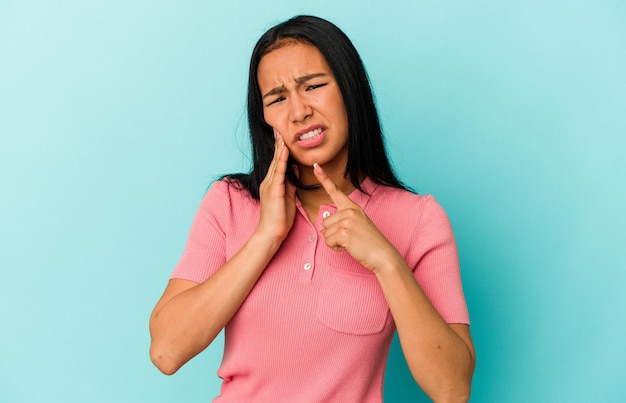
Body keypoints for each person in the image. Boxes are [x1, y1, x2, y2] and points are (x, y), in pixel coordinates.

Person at [149, 15, 475, 402]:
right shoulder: (230, 201)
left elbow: (452, 390)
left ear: (349, 89)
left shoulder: (419, 219)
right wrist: (265, 238)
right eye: (278, 98)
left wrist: (387, 263)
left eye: (314, 86)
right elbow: (167, 351)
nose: (299, 111)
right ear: (266, 119)